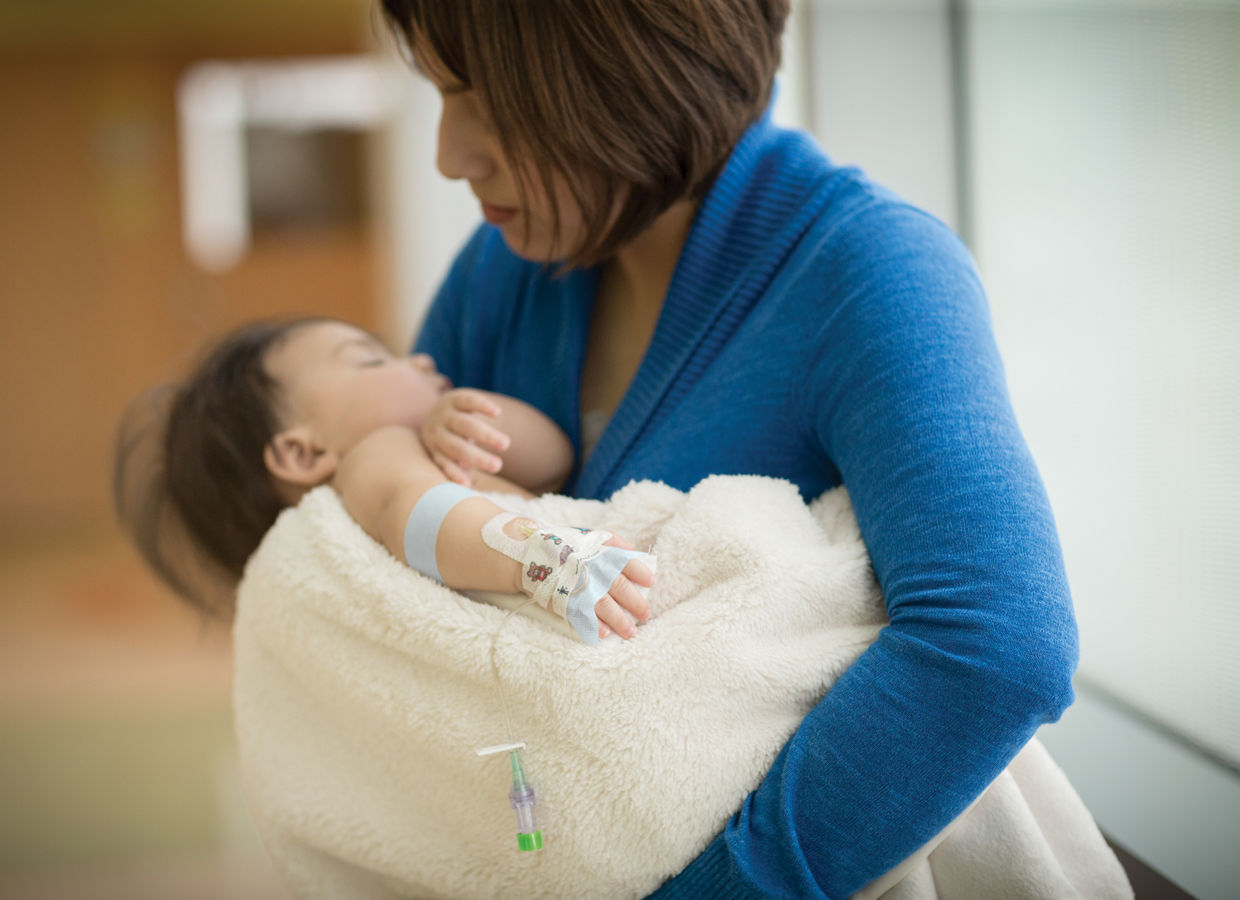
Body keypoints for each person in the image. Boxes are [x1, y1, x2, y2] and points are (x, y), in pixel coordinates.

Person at [377, 1, 1079, 897]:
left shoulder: (868, 270)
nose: (449, 155)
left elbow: (998, 646)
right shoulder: (500, 272)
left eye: (486, 96)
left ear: (634, 69)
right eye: (441, 91)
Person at [113, 317, 654, 643]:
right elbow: (417, 516)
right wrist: (545, 561)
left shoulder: (426, 444)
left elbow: (555, 458)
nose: (418, 358)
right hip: (567, 584)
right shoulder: (372, 461)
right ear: (304, 453)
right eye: (371, 361)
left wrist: (481, 420)